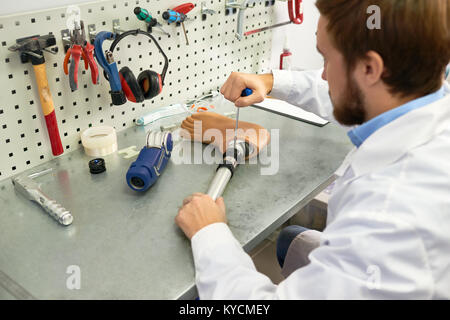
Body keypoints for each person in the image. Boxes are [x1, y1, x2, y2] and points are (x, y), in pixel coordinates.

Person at [175, 0, 450, 299]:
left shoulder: (386, 214)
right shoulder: (428, 97)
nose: (323, 75)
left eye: (326, 59)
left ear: (371, 68)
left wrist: (210, 234)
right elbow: (354, 91)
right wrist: (271, 81)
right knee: (292, 240)